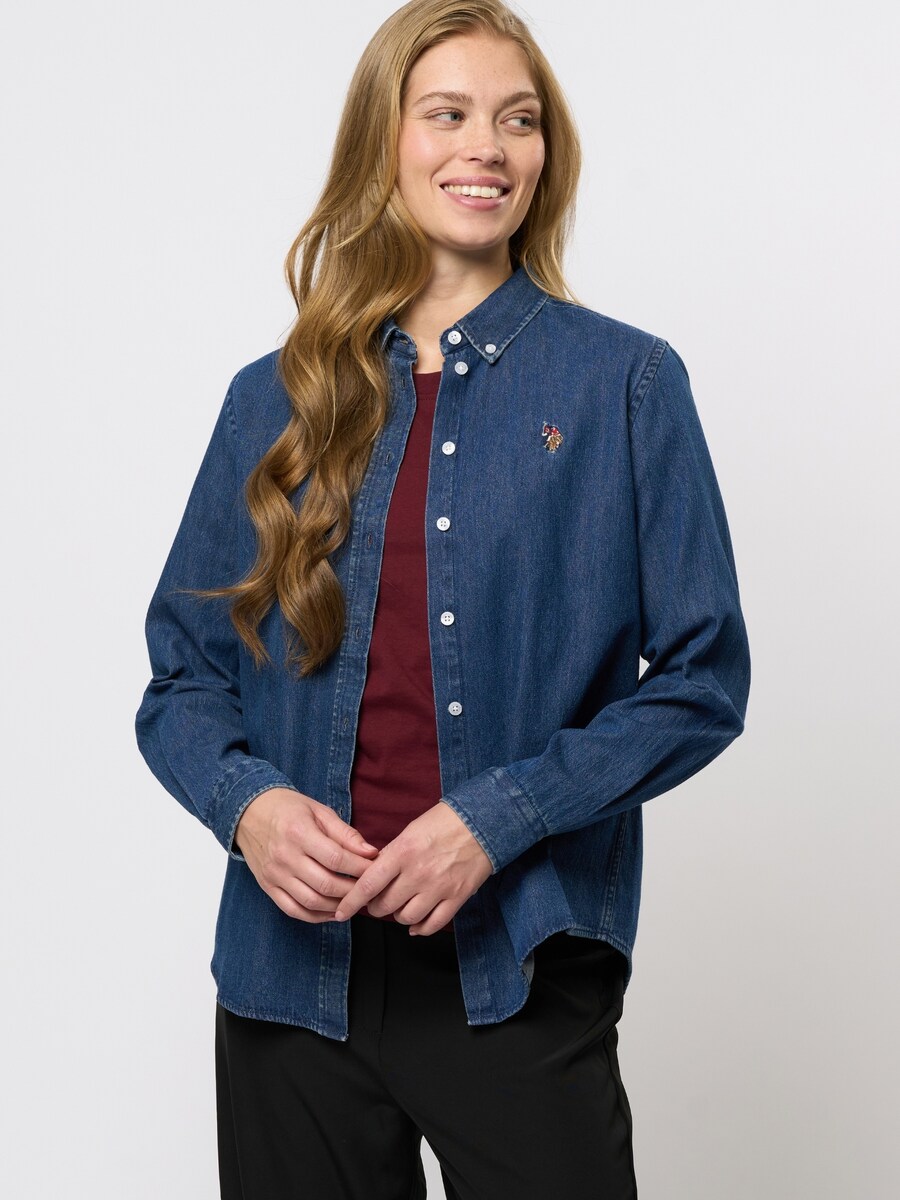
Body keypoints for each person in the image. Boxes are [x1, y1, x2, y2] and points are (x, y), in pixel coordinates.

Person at [135, 1, 751, 1196]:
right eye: (449, 114)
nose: (488, 147)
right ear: (385, 141)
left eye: (518, 120)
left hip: (515, 970)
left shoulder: (625, 384)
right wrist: (248, 806)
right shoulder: (274, 399)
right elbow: (182, 679)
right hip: (288, 984)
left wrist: (498, 818)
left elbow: (701, 680)